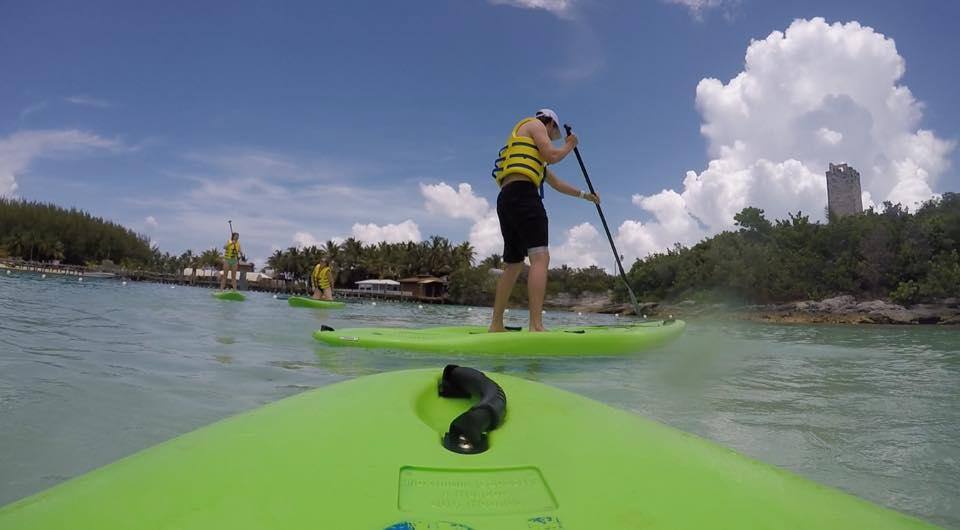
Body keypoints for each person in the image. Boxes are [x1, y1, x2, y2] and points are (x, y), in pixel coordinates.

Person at [489, 109, 599, 332]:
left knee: (514, 264)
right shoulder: (536, 125)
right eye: (553, 133)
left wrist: (586, 196)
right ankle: (536, 326)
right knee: (540, 257)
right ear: (549, 124)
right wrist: (570, 145)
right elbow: (552, 155)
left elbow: (557, 184)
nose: (550, 137)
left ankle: (496, 325)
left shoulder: (530, 153)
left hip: (506, 198)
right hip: (524, 194)